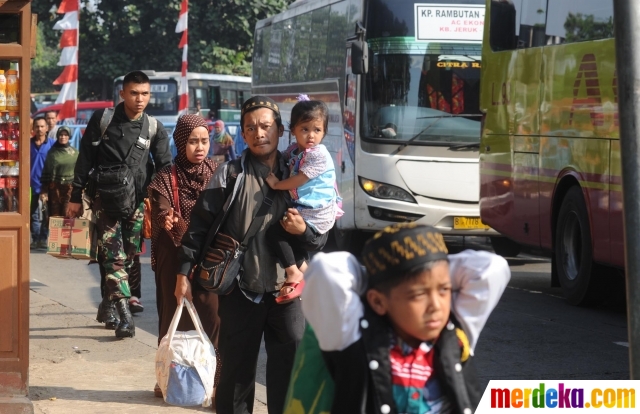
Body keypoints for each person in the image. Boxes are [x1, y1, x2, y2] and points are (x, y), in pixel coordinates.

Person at [177, 96, 326, 414]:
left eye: (266, 126)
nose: (259, 133)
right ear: (242, 135)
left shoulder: (304, 174)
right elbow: (199, 227)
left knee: (289, 375)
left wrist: (304, 232)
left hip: (288, 294)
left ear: (281, 130)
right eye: (251, 127)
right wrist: (183, 272)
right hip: (240, 290)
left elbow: (322, 236)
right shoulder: (228, 175)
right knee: (235, 376)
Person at [283, 223, 511, 413]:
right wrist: (384, 275)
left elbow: (493, 268)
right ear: (378, 302)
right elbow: (326, 270)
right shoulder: (353, 337)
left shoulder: (455, 334)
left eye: (444, 290)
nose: (436, 306)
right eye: (418, 294)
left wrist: (428, 265)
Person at [66, 70, 172, 338]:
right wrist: (75, 196)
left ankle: (106, 304)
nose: (139, 99)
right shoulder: (103, 120)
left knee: (127, 256)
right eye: (134, 93)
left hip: (137, 204)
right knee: (113, 258)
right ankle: (125, 314)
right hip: (104, 202)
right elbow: (85, 159)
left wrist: (166, 206)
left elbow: (164, 169)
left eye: (145, 94)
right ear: (122, 93)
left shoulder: (154, 128)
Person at [148, 114, 220, 398]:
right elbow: (162, 210)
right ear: (180, 142)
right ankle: (168, 377)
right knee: (172, 312)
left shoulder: (217, 172)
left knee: (212, 314)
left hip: (211, 255)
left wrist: (184, 225)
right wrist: (167, 218)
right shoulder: (165, 177)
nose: (199, 147)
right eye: (192, 141)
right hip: (174, 254)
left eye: (204, 140)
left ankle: (212, 377)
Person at [264, 98, 341, 303]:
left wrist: (276, 184)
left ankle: (293, 273)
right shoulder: (294, 150)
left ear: (324, 131)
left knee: (275, 233)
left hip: (316, 212)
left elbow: (299, 179)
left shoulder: (319, 154)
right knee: (289, 238)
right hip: (305, 208)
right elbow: (282, 156)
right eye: (305, 129)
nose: (311, 135)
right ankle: (307, 272)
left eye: (317, 130)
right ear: (292, 130)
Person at [39, 126, 78, 217]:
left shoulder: (75, 153)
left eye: (65, 135)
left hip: (70, 189)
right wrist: (44, 191)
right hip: (55, 190)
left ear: (69, 136)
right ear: (57, 136)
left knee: (68, 214)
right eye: (61, 135)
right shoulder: (52, 153)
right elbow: (46, 171)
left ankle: (68, 232)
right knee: (55, 216)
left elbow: (79, 172)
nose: (63, 137)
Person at [30, 116, 56, 249]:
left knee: (47, 214)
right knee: (33, 213)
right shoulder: (27, 144)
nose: (39, 129)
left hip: (47, 185)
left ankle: (43, 238)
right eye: (37, 126)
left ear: (46, 128)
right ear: (33, 128)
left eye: (42, 126)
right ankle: (35, 239)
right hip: (31, 185)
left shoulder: (52, 144)